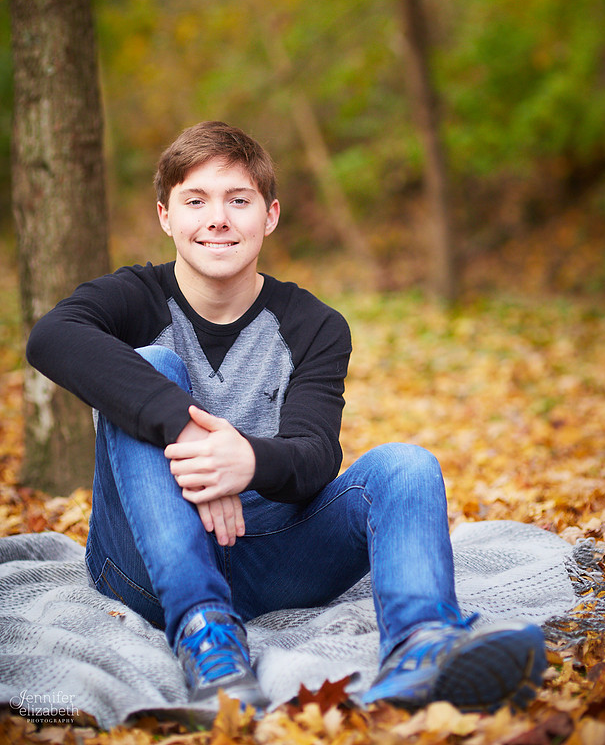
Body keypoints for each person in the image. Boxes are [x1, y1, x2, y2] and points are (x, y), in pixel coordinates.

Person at [27, 121, 547, 715]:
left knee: (407, 465)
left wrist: (246, 461)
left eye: (238, 200)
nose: (217, 218)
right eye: (195, 200)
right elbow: (51, 337)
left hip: (269, 554)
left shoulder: (315, 325)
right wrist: (185, 427)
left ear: (269, 216)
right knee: (151, 366)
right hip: (142, 563)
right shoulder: (133, 297)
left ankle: (422, 645)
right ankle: (206, 633)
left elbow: (315, 457)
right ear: (166, 216)